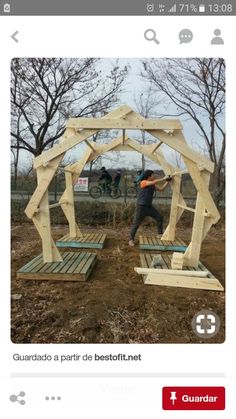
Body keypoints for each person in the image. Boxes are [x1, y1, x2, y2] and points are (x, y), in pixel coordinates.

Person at [129, 170, 172, 246]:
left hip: (149, 207)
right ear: (149, 176)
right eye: (152, 175)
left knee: (159, 217)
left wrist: (167, 181)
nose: (154, 176)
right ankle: (131, 239)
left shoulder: (152, 184)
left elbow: (161, 189)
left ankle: (159, 234)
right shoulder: (143, 182)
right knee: (136, 223)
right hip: (141, 207)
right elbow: (152, 182)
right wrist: (163, 178)